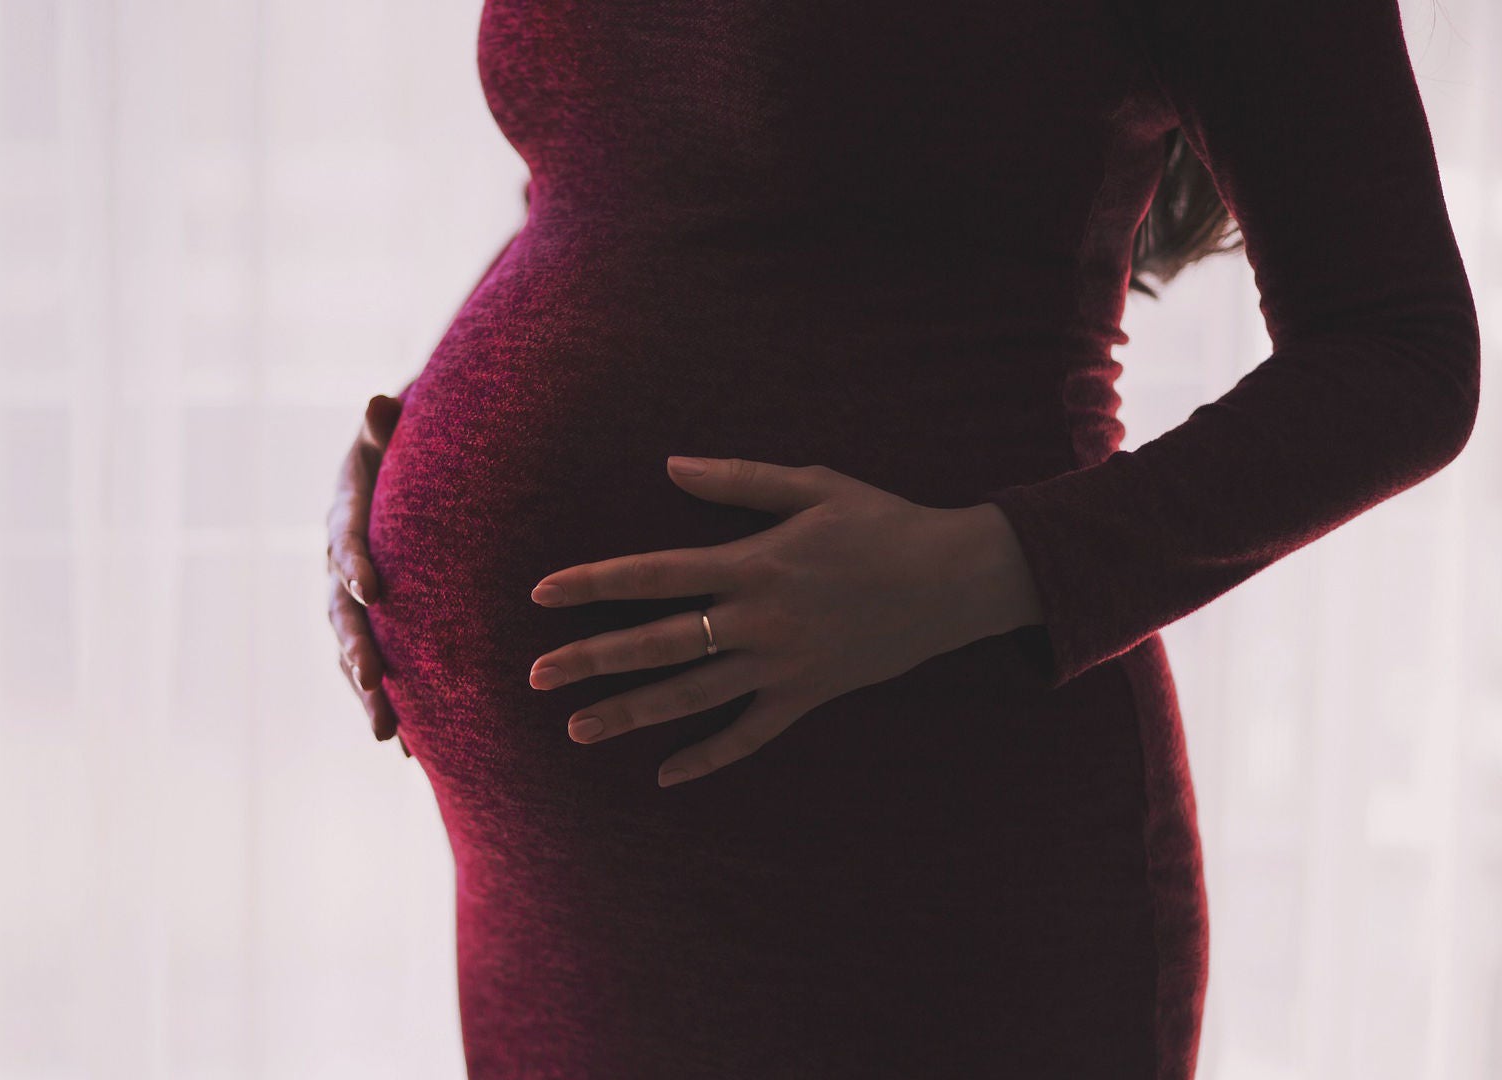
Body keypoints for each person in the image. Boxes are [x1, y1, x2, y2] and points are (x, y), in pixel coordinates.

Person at [323, 0, 1480, 1075]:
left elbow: (1404, 355)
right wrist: (415, 440)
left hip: (910, 846)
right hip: (556, 907)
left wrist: (980, 567)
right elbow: (608, 190)